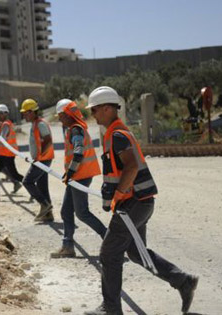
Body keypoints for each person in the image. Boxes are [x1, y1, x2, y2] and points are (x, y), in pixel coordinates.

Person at [85, 86, 198, 315]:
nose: (93, 114)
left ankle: (111, 308)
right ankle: (182, 281)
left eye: (95, 109)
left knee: (109, 253)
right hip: (139, 202)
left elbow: (132, 166)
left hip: (132, 204)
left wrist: (118, 196)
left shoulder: (117, 135)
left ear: (107, 108)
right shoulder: (116, 132)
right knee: (136, 253)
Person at [51, 99, 107, 258]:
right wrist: (70, 174)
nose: (60, 119)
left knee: (82, 213)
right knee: (66, 211)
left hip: (80, 176)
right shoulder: (73, 129)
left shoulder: (76, 130)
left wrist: (70, 173)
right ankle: (68, 245)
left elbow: (78, 152)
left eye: (61, 115)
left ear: (68, 115)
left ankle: (109, 238)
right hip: (77, 176)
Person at [20, 99, 55, 222]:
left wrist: (39, 157)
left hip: (43, 160)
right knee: (42, 186)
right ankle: (48, 215)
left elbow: (48, 140)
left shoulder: (40, 124)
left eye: (26, 113)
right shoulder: (35, 124)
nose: (24, 115)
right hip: (41, 159)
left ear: (32, 112)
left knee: (27, 182)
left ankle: (44, 205)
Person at [0, 104, 24, 201]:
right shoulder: (6, 123)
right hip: (4, 154)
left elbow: (2, 140)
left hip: (7, 155)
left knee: (14, 175)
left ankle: (30, 184)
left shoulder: (5, 125)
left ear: (3, 114)